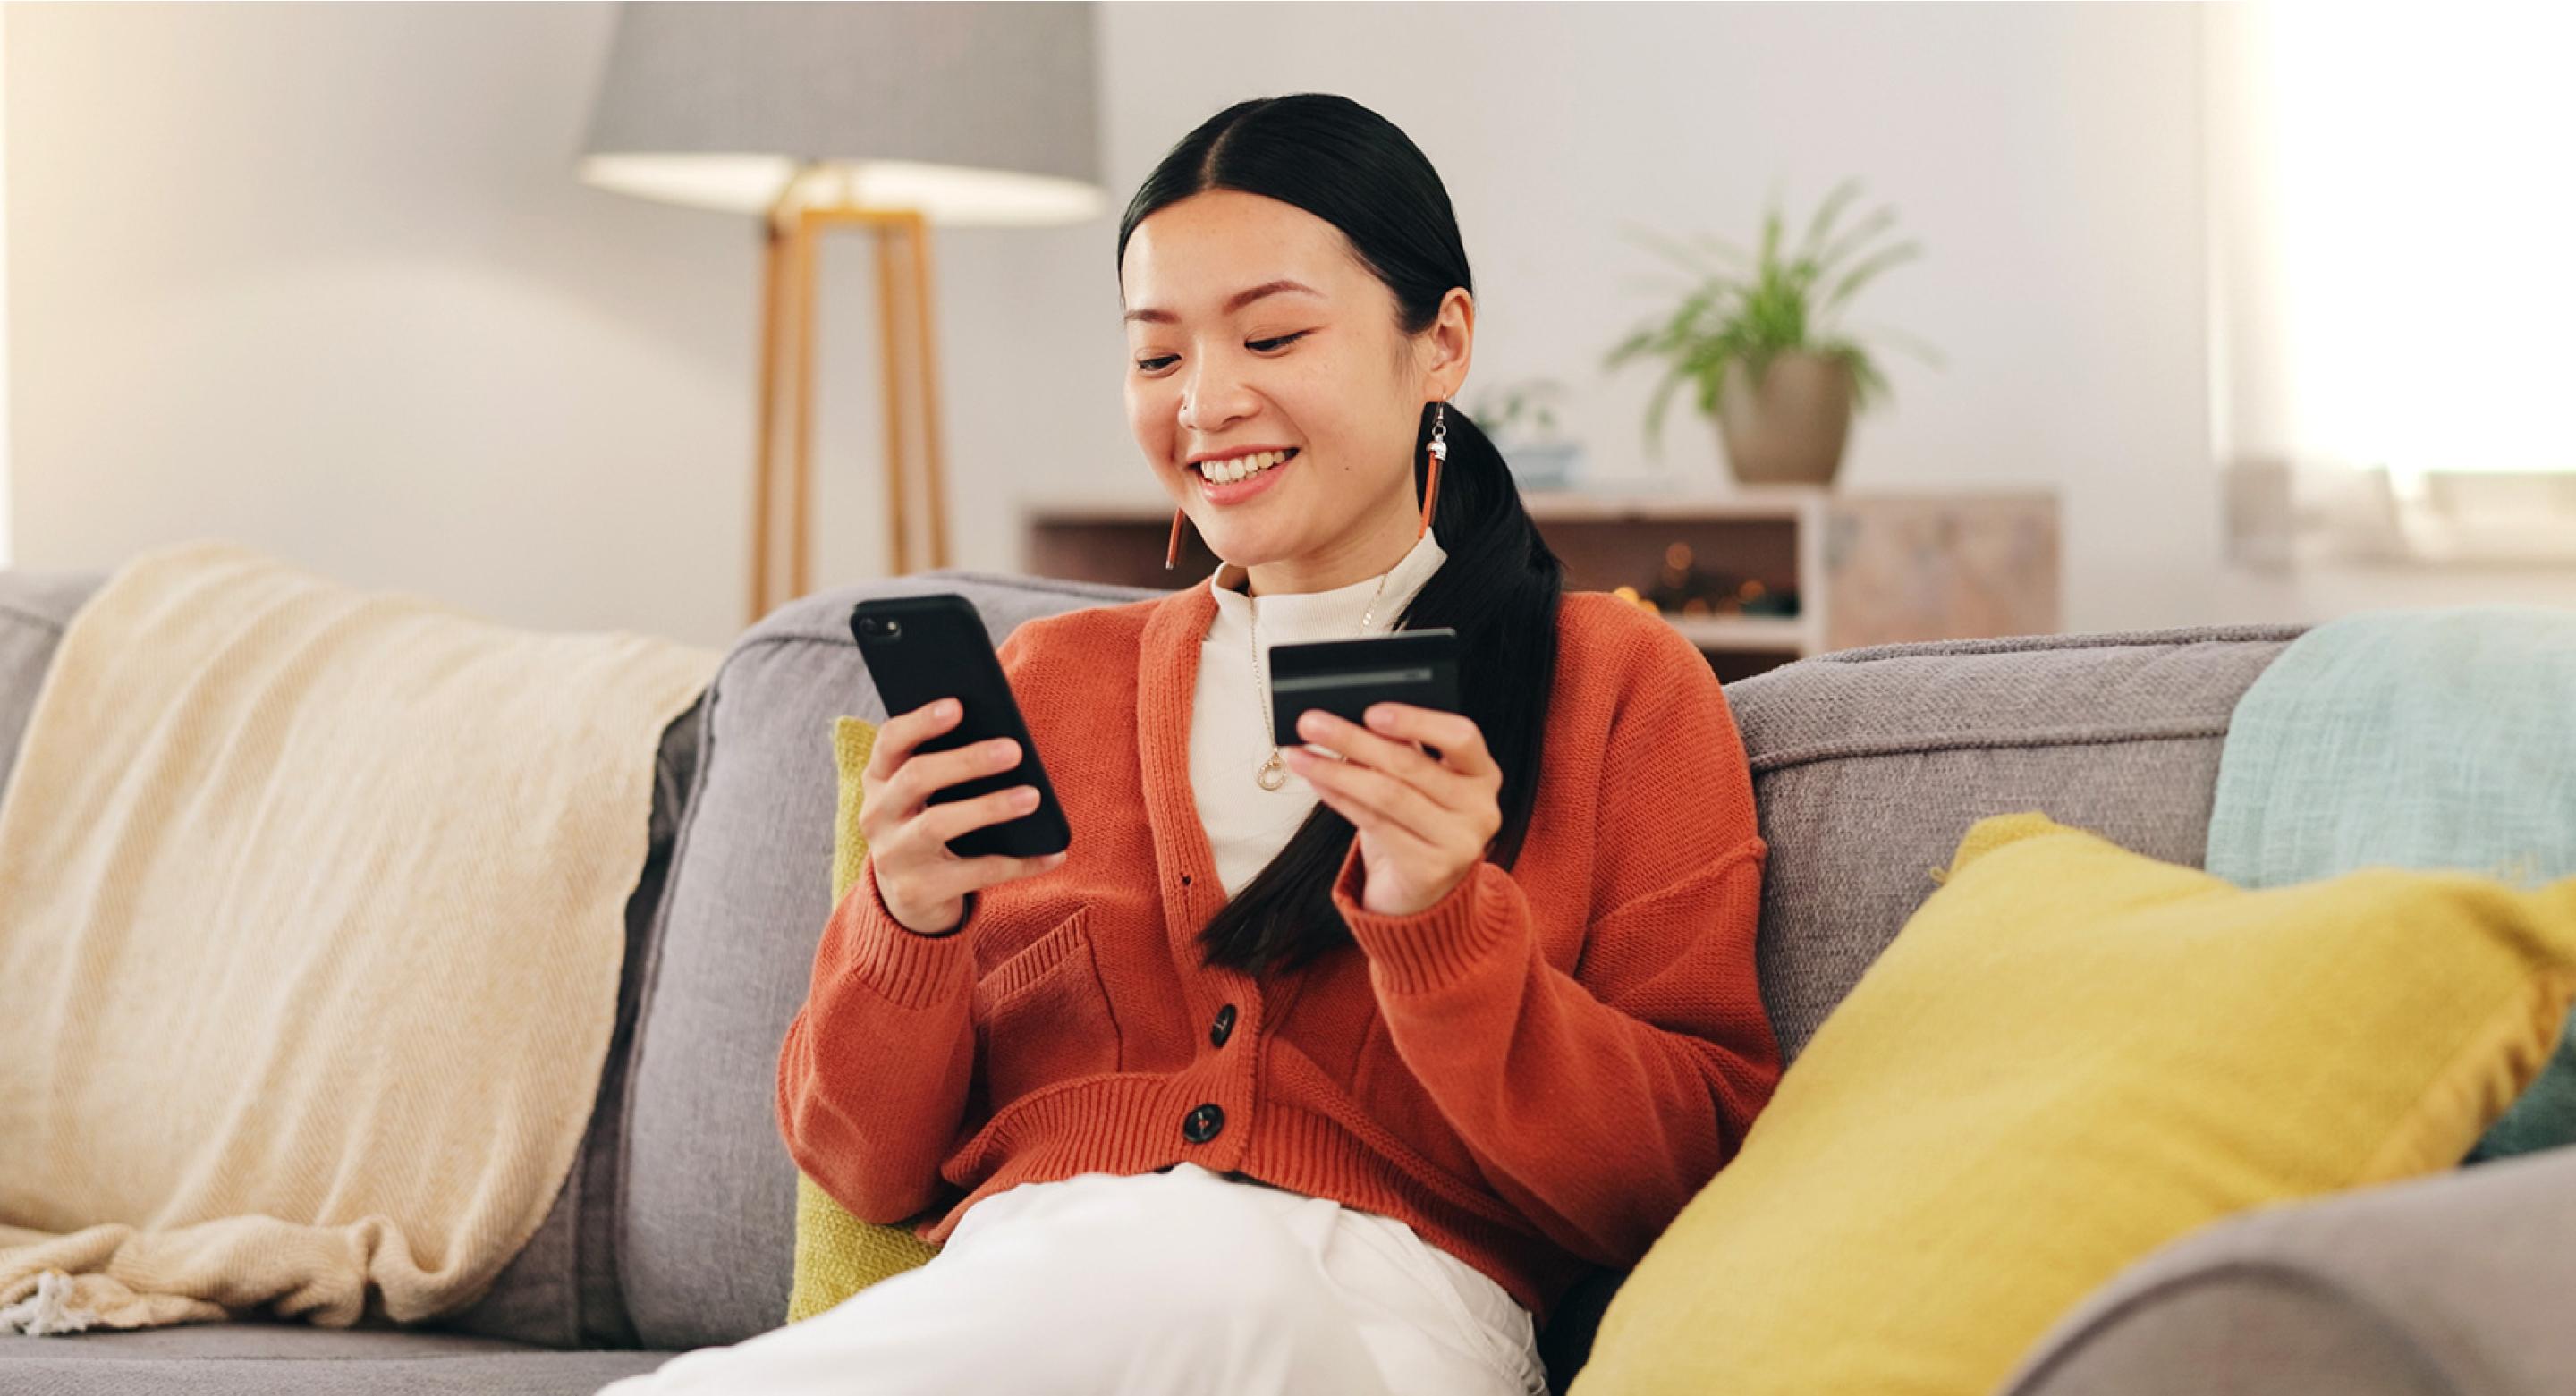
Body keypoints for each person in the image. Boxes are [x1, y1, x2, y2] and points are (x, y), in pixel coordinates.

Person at [597, 91, 1780, 1396]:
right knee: (1145, 1270)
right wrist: (909, 920)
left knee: (1202, 1273)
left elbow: (1686, 1172)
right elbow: (864, 1162)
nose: (1206, 403)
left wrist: (1446, 928)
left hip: (1384, 1325)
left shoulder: (1614, 682)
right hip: (1036, 1286)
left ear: (1440, 341)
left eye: (1272, 334)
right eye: (1158, 359)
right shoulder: (1054, 681)